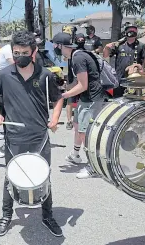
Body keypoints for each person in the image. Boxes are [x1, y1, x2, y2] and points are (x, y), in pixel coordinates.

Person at [0, 30, 64, 237]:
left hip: (40, 137)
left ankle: (47, 216)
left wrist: (54, 119)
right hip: (14, 137)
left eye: (24, 52)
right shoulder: (4, 74)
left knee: (44, 176)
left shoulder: (45, 75)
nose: (19, 55)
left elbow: (58, 99)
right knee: (10, 177)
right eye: (16, 52)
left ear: (34, 52)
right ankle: (6, 215)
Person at [55, 33, 107, 179]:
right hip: (86, 98)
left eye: (55, 45)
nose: (54, 48)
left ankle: (94, 166)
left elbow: (83, 85)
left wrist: (64, 96)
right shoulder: (75, 56)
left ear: (61, 45)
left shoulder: (77, 58)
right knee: (78, 125)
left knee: (85, 132)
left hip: (91, 99)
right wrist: (62, 88)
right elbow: (76, 82)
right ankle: (76, 154)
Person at [104, 25, 145, 98]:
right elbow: (105, 56)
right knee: (118, 99)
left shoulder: (141, 45)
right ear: (126, 32)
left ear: (137, 32)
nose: (131, 32)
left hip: (134, 78)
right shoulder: (119, 45)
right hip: (120, 78)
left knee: (134, 99)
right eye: (129, 30)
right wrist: (106, 47)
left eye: (134, 30)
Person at [62, 33, 85, 130]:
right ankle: (69, 121)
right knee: (70, 100)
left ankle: (80, 120)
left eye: (81, 39)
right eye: (78, 39)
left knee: (81, 100)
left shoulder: (84, 52)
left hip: (79, 78)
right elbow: (65, 58)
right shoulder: (72, 51)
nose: (80, 41)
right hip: (72, 77)